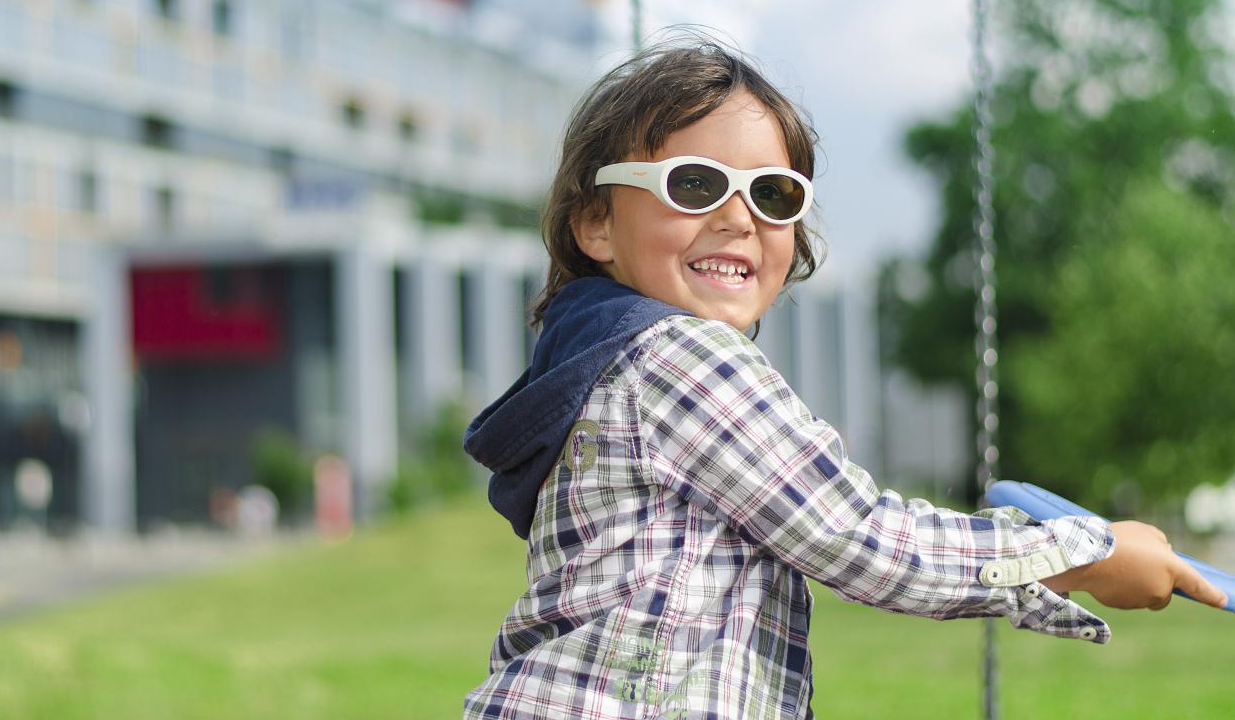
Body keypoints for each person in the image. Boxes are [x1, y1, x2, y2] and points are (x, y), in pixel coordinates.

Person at [461, 37, 1227, 720]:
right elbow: (859, 536)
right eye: (694, 184)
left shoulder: (596, 364)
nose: (738, 216)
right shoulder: (681, 357)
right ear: (595, 222)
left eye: (774, 194)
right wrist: (1081, 554)